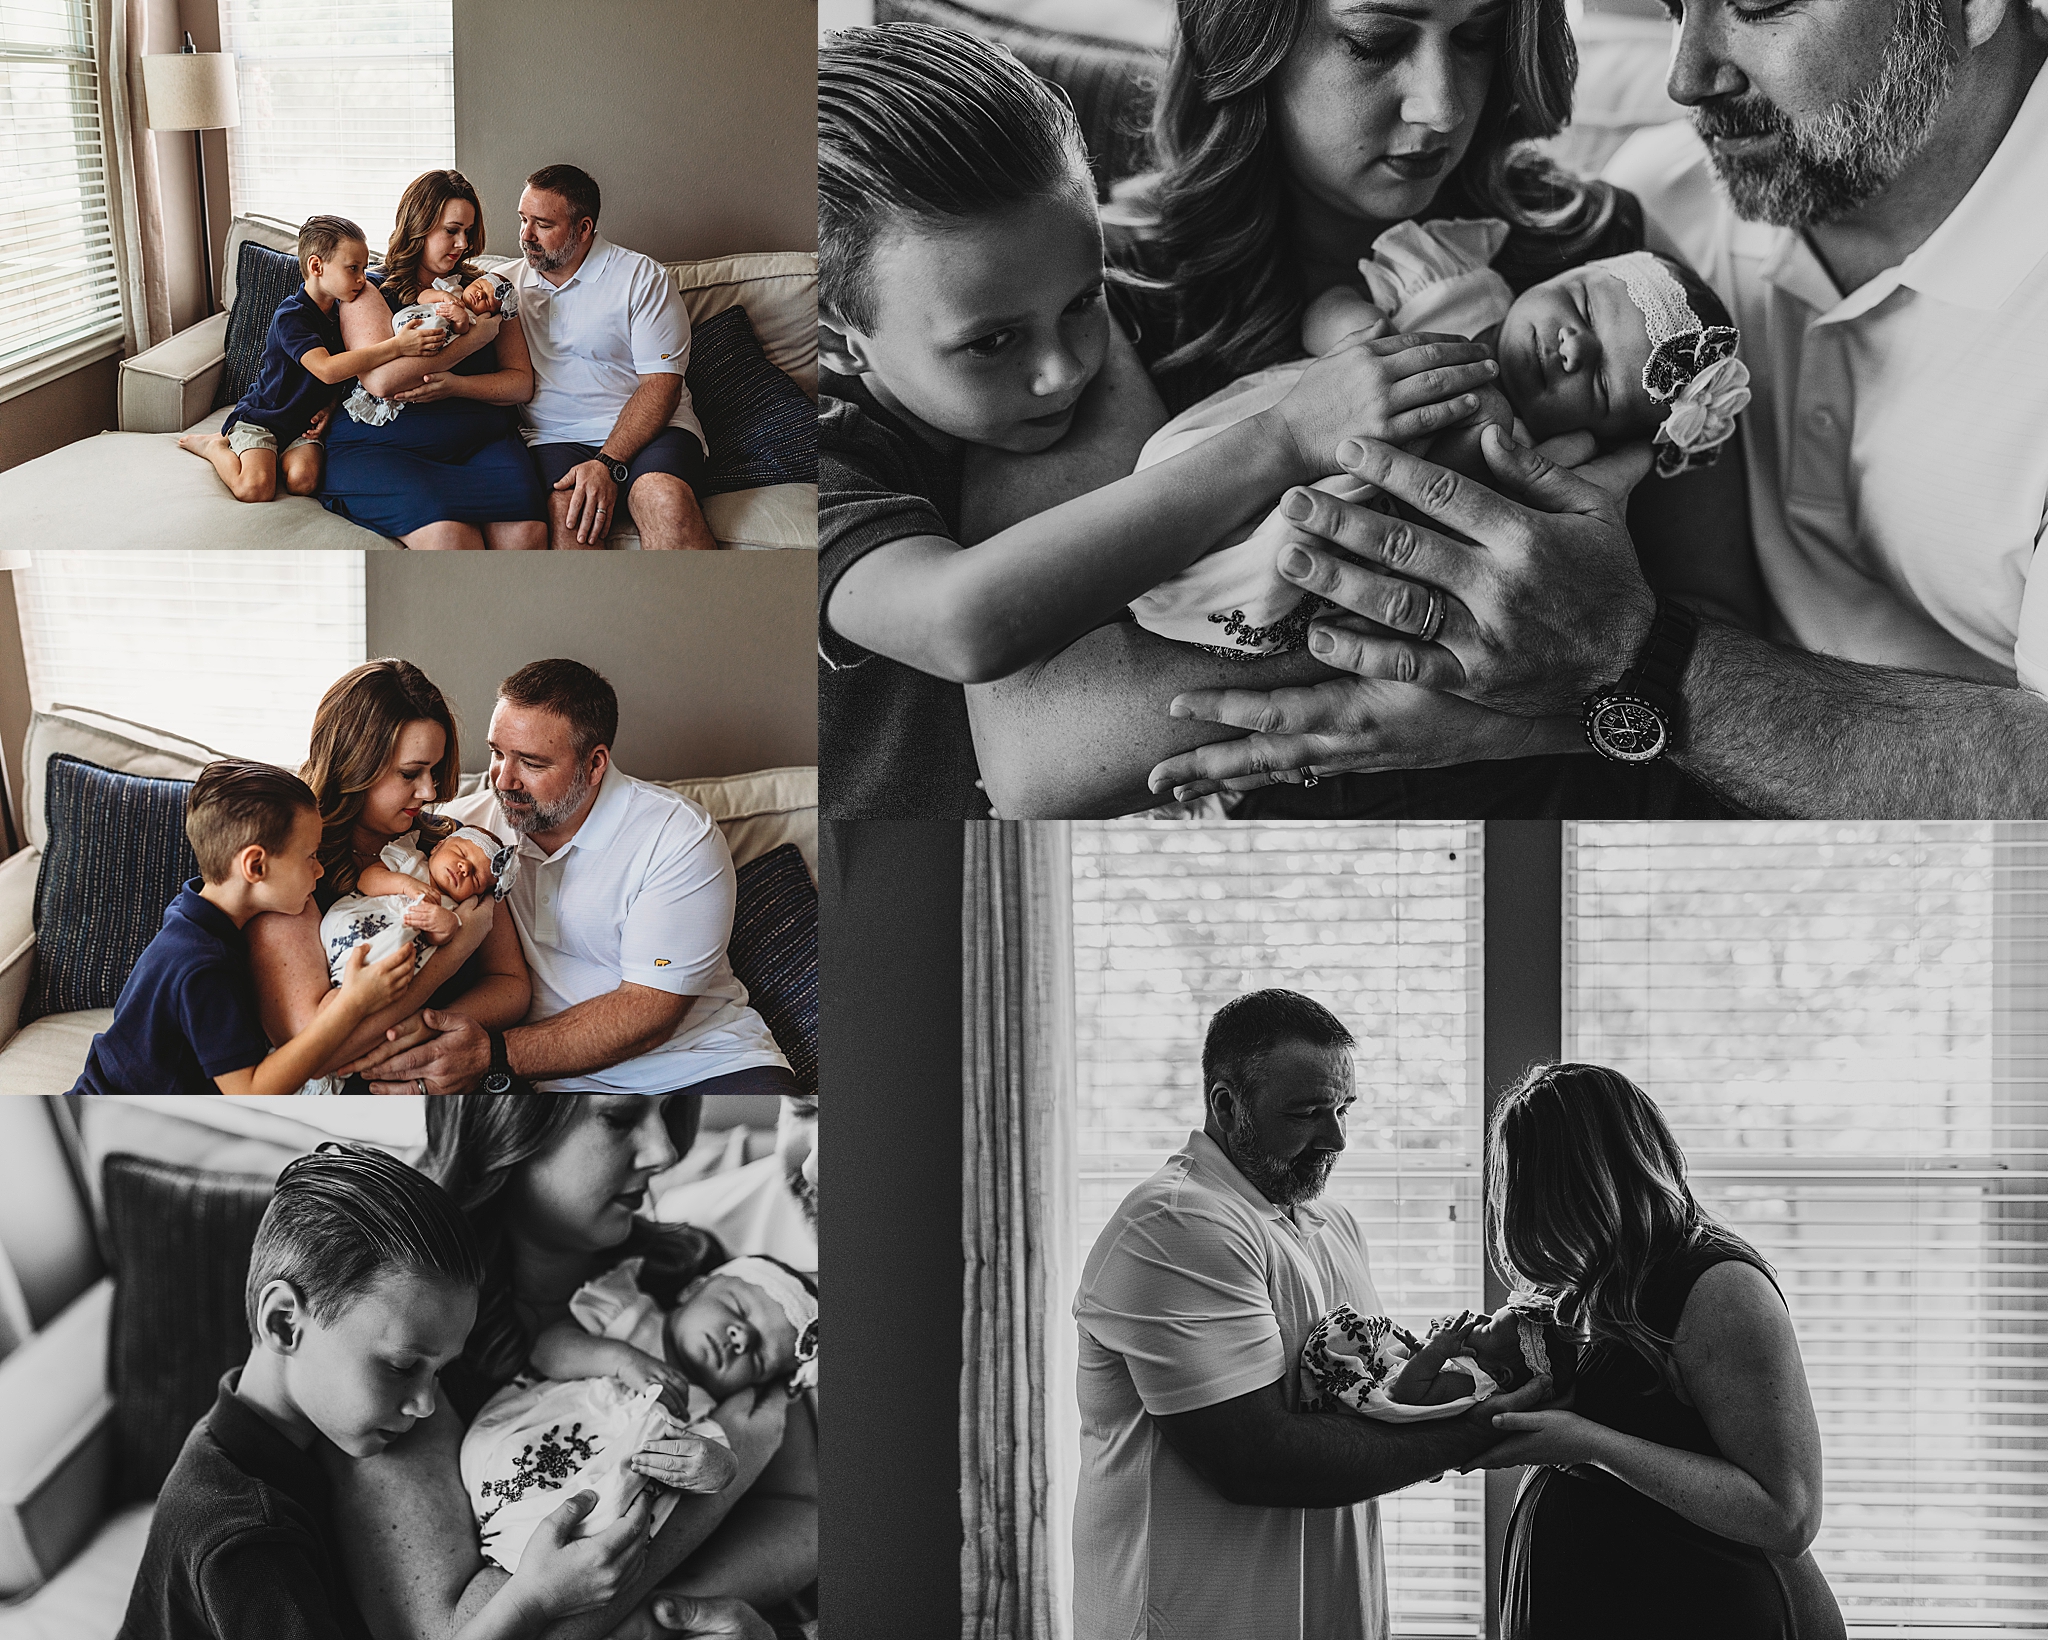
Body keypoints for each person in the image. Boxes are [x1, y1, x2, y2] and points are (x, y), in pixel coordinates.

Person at [1149, 0, 2048, 816]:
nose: (1684, 77)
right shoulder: (1674, 193)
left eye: (1760, 4)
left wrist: (1608, 672)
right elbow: (1043, 754)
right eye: (1674, 7)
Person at [954, 0, 1746, 820]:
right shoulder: (1091, 297)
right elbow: (1040, 755)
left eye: (1476, 38)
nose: (1444, 106)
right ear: (1250, 37)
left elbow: (1726, 646)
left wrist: (1501, 730)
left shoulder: (1605, 268)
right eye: (1376, 41)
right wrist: (1490, 663)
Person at [815, 23, 1499, 816]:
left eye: (1084, 301)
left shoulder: (1106, 354)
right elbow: (963, 625)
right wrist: (1282, 438)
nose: (1067, 367)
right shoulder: (825, 462)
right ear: (840, 341)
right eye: (991, 343)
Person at [1072, 989, 1548, 1640]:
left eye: (1343, 1107)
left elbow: (1376, 1407)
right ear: (1226, 1105)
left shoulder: (1334, 1225)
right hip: (1200, 1620)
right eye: (1307, 1112)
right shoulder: (1177, 1223)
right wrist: (1485, 1433)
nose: (1338, 1136)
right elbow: (1255, 1456)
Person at [323, 1098, 815, 1640]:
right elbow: (457, 1630)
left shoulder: (695, 1274)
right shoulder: (406, 1335)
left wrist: (662, 1619)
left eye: (670, 1110)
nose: (666, 1150)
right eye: (620, 1118)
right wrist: (739, 1452)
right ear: (508, 1124)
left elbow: (805, 1515)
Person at [117, 1143, 651, 1640]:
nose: (425, 1405)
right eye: (401, 1366)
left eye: (438, 1372)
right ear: (284, 1323)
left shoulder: (264, 1444)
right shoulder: (247, 1539)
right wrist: (534, 1601)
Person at [1131, 243, 1750, 657]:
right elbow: (1325, 302)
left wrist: (1484, 448)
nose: (1570, 348)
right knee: (1181, 486)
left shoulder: (1547, 460)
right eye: (1582, 305)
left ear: (1603, 432)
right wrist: (1356, 334)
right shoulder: (1453, 289)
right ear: (1564, 272)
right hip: (1274, 430)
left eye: (1600, 383)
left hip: (1321, 539)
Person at [1480, 1063, 1844, 1638]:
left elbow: (1787, 1513)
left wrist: (1589, 1445)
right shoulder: (1595, 1284)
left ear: (1598, 1179)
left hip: (1710, 1607)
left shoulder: (1720, 1288)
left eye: (1540, 1191)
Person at [355, 659, 796, 1098]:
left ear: (595, 764)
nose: (503, 780)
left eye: (531, 762)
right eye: (497, 753)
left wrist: (488, 1053)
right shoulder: (460, 836)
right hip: (534, 1082)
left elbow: (650, 1011)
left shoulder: (676, 836)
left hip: (700, 1067)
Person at [244, 659, 531, 1095]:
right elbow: (317, 1053)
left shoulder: (453, 848)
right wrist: (452, 955)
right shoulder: (297, 866)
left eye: (433, 771)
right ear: (354, 765)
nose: (430, 793)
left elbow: (511, 986)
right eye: (410, 774)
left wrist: (432, 1030)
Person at [70, 761, 415, 1097]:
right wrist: (352, 1004)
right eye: (310, 856)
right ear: (255, 865)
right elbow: (253, 1090)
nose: (320, 870)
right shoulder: (201, 966)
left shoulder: (194, 913)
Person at [463, 1253, 818, 1574]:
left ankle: (522, 1558)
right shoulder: (626, 1312)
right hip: (527, 1435)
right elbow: (545, 1350)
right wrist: (619, 1360)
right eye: (737, 1309)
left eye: (758, 1358)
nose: (740, 1339)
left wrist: (719, 1469)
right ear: (696, 1288)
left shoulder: (705, 1410)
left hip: (572, 1513)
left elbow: (702, 1476)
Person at [322, 170, 551, 550]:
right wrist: (472, 340)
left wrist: (456, 386)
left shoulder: (489, 291)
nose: (462, 243)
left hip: (482, 444)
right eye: (451, 230)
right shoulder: (367, 289)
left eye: (468, 230)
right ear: (418, 227)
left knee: (527, 535)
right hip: (388, 449)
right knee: (453, 541)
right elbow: (381, 382)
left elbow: (520, 383)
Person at [510, 165, 718, 551]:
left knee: (663, 499)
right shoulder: (506, 285)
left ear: (583, 228)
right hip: (556, 436)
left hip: (656, 431)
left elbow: (662, 386)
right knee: (568, 513)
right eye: (522, 220)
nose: (526, 236)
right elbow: (431, 292)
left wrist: (606, 463)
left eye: (542, 224)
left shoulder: (642, 278)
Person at [180, 215, 443, 503]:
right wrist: (398, 346)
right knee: (256, 489)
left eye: (364, 269)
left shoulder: (342, 315)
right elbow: (327, 370)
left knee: (302, 481)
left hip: (303, 423)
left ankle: (269, 456)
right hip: (264, 418)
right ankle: (215, 446)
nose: (362, 279)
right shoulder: (291, 316)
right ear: (316, 266)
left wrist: (330, 407)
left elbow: (344, 378)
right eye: (353, 268)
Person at [1300, 1298, 1575, 1420]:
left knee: (1352, 1332)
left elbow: (1405, 1393)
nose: (1479, 1317)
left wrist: (1434, 1353)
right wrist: (1421, 1354)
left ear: (1501, 1375)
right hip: (1384, 1377)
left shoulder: (1473, 1387)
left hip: (1374, 1399)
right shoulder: (1469, 1371)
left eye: (1488, 1325)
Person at [319, 822, 517, 985]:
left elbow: (435, 941)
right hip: (358, 921)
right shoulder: (408, 860)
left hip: (387, 960)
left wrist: (446, 925)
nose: (464, 868)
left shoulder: (455, 909)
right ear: (437, 846)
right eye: (461, 854)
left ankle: (347, 983)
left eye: (475, 878)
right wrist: (405, 885)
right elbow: (366, 880)